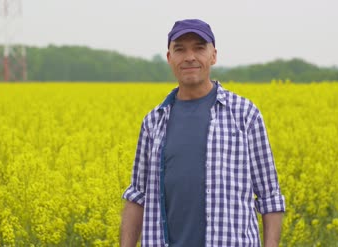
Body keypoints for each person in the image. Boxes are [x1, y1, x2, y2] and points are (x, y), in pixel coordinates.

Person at [120, 19, 285, 247]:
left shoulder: (245, 115)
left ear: (213, 55)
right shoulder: (153, 122)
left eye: (199, 48)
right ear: (169, 58)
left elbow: (270, 197)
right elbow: (137, 197)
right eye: (180, 49)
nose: (190, 57)